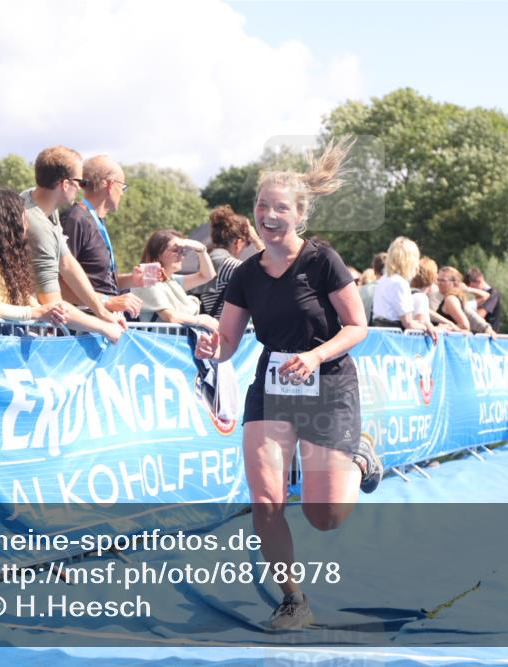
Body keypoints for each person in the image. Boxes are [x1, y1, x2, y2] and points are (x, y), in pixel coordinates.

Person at [194, 138, 382, 631]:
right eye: (262, 206)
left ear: (299, 214)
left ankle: (358, 452)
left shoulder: (322, 260)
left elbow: (357, 325)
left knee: (325, 516)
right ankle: (293, 598)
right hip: (272, 389)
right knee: (266, 500)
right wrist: (214, 347)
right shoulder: (245, 275)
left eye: (280, 207)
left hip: (328, 386)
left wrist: (315, 355)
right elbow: (230, 339)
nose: (269, 214)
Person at [0, 187, 122, 342]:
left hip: (7, 342)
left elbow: (39, 305)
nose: (27, 223)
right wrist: (36, 313)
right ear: (11, 221)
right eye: (23, 216)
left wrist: (103, 324)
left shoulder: (8, 263)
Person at [20, 146, 126, 332]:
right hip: (20, 329)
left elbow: (67, 262)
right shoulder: (37, 227)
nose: (81, 187)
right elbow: (53, 304)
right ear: (65, 184)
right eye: (79, 181)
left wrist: (102, 312)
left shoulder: (38, 201)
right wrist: (105, 327)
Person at [60, 155, 143, 317]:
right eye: (123, 187)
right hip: (81, 327)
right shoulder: (75, 219)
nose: (123, 194)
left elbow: (97, 281)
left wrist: (132, 280)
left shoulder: (95, 221)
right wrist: (106, 301)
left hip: (103, 322)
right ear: (110, 185)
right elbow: (58, 284)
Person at [130, 230, 218, 330]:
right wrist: (202, 321)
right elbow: (171, 317)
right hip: (160, 343)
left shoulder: (170, 280)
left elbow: (207, 275)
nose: (181, 256)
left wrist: (200, 249)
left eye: (183, 251)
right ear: (158, 253)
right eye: (176, 250)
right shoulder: (148, 278)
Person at [189, 205, 264, 318]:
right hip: (231, 331)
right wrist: (256, 240)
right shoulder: (230, 266)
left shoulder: (207, 262)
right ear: (238, 243)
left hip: (210, 330)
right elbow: (270, 274)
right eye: (247, 244)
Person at [372, 237, 437, 341]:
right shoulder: (400, 283)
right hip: (395, 339)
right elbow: (408, 323)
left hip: (382, 335)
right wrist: (427, 327)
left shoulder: (384, 279)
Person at [435, 266, 494, 335]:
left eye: (443, 280)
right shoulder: (455, 298)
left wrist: (445, 329)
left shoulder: (450, 299)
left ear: (455, 283)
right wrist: (486, 327)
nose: (439, 283)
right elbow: (470, 315)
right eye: (438, 280)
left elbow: (464, 325)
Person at [464, 267, 502, 331]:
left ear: (479, 280)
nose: (472, 292)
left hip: (488, 336)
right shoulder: (476, 295)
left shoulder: (493, 294)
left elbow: (479, 316)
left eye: (473, 288)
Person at [357, 252, 386, 325]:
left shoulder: (362, 290)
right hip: (387, 333)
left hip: (365, 332)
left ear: (374, 269)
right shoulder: (391, 290)